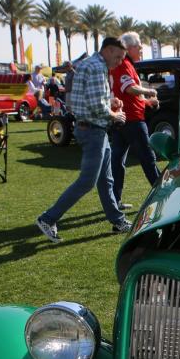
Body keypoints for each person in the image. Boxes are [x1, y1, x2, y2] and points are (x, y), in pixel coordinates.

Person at [36, 37, 131, 243]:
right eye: (118, 57)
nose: (119, 62)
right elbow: (96, 105)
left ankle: (118, 220)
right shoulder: (97, 67)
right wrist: (115, 115)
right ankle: (48, 218)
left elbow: (92, 99)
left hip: (93, 129)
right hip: (93, 130)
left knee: (106, 181)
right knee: (87, 181)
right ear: (107, 50)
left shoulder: (92, 64)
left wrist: (110, 101)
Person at [109, 31, 160, 206]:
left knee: (117, 161)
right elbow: (129, 88)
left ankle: (115, 200)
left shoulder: (124, 63)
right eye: (139, 46)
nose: (141, 50)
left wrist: (146, 102)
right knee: (148, 159)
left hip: (122, 119)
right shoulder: (124, 64)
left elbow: (127, 94)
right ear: (129, 48)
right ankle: (163, 196)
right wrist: (149, 91)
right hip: (132, 121)